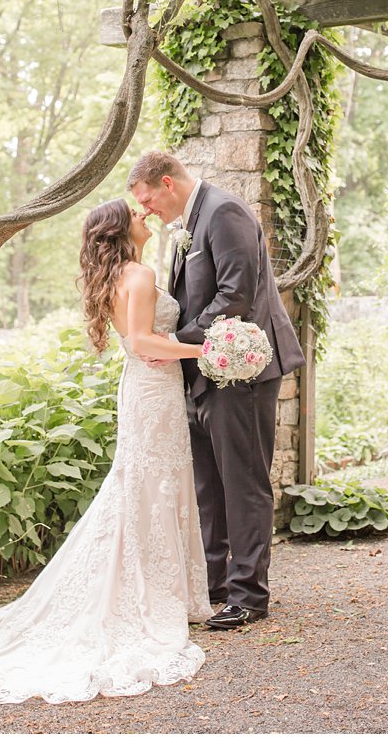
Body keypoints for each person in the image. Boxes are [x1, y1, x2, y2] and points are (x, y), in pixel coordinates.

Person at [0, 200, 211, 703]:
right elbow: (139, 341)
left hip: (150, 389)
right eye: (136, 212)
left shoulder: (122, 276)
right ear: (120, 230)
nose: (144, 215)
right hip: (151, 387)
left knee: (152, 483)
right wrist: (201, 349)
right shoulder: (139, 272)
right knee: (147, 484)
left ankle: (164, 590)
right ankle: (151, 598)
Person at [128, 151, 305, 630]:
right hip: (202, 371)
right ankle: (217, 585)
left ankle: (249, 595)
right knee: (209, 485)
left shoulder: (224, 212)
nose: (146, 211)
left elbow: (236, 297)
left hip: (239, 372)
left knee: (243, 483)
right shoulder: (190, 220)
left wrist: (173, 343)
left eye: (147, 199)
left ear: (166, 182)